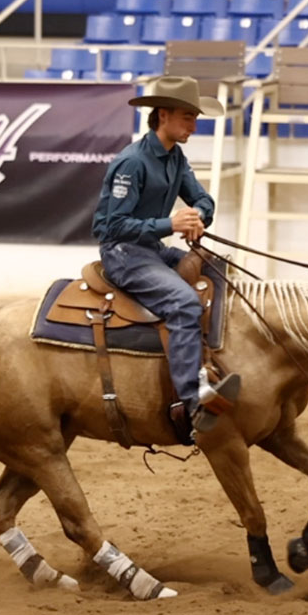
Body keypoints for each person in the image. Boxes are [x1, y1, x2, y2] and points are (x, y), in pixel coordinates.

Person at [91, 76, 241, 443]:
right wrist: (169, 222)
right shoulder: (132, 163)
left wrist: (196, 219)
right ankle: (192, 402)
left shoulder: (175, 157)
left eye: (194, 118)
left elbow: (203, 200)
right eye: (187, 117)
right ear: (162, 116)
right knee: (184, 301)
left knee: (219, 271)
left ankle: (209, 365)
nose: (193, 125)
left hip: (151, 250)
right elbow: (109, 227)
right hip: (124, 255)